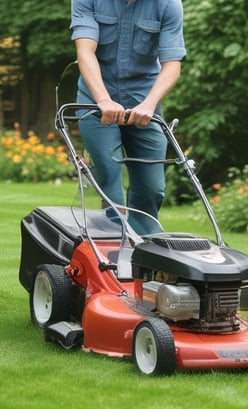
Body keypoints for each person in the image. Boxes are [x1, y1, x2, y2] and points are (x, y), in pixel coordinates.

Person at [70, 0, 186, 234]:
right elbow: (85, 51)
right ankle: (113, 248)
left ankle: (145, 254)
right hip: (95, 100)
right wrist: (103, 100)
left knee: (152, 189)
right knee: (109, 179)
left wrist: (150, 104)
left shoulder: (167, 5)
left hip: (144, 102)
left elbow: (172, 64)